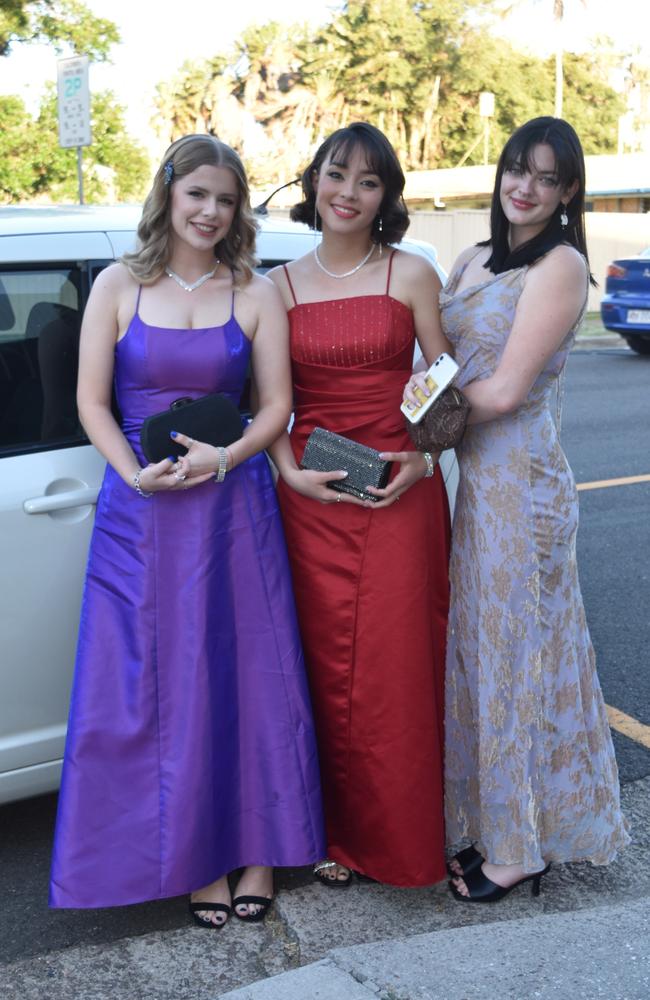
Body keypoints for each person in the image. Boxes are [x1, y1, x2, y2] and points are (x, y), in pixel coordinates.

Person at [49, 134, 325, 926]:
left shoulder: (255, 289)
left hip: (233, 511)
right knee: (156, 691)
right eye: (198, 193)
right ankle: (199, 856)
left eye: (226, 199)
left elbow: (277, 406)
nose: (210, 211)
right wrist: (134, 475)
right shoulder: (116, 285)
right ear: (168, 192)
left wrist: (229, 457)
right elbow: (91, 404)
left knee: (248, 681)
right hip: (139, 516)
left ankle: (261, 855)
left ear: (239, 210)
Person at [406, 116, 630, 903]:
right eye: (514, 169)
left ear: (569, 191)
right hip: (474, 483)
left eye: (544, 176)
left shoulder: (563, 265)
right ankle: (497, 823)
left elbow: (499, 392)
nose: (523, 186)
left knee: (520, 664)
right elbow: (433, 360)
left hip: (522, 487)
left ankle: (522, 849)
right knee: (482, 656)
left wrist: (421, 409)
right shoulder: (469, 258)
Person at [268, 122, 451, 888]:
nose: (348, 192)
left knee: (396, 672)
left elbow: (442, 381)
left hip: (400, 493)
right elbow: (266, 406)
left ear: (387, 196)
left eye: (368, 181)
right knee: (311, 669)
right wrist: (284, 472)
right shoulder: (273, 285)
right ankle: (324, 834)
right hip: (310, 501)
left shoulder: (409, 273)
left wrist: (424, 458)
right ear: (314, 182)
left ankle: (393, 842)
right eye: (337, 175)